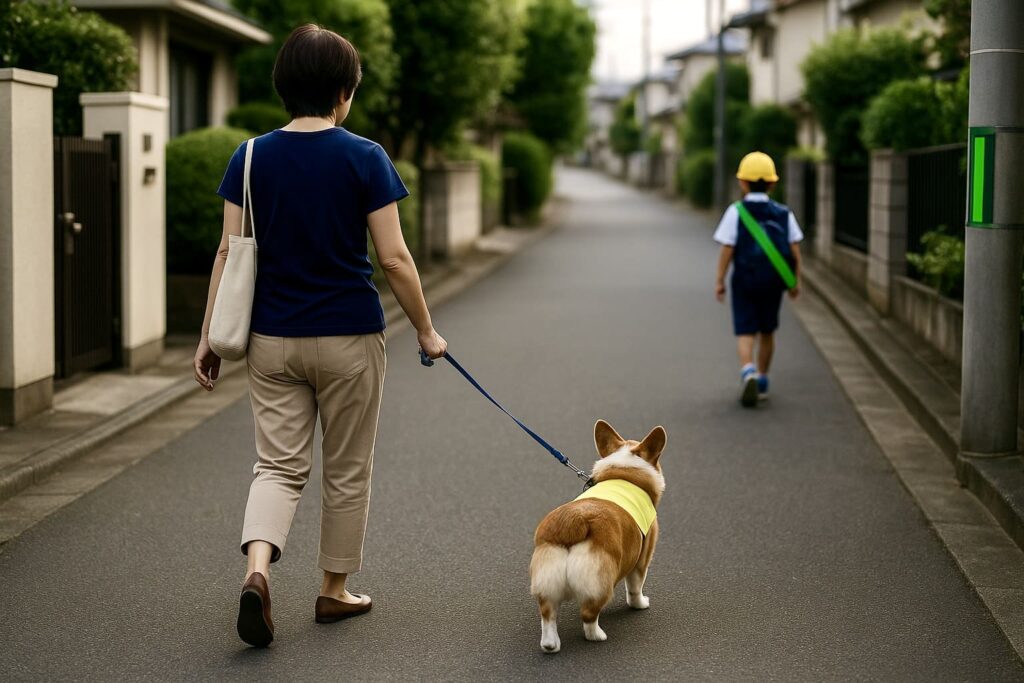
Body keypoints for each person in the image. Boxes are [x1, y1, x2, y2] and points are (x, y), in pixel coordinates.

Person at [192, 24, 447, 647]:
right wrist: (426, 330)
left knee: (277, 466)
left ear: (283, 87)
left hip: (271, 338)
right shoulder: (366, 157)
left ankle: (257, 573)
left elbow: (227, 252)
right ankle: (333, 590)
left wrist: (208, 337)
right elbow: (394, 258)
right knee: (347, 469)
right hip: (350, 338)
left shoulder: (249, 157)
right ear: (343, 93)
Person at [713, 151, 803, 408]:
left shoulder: (736, 211)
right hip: (773, 282)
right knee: (767, 330)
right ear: (772, 183)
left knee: (745, 329)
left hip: (744, 279)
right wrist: (795, 281)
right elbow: (795, 249)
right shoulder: (784, 213)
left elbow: (727, 248)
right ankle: (762, 378)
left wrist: (720, 279)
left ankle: (748, 370)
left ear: (742, 182)